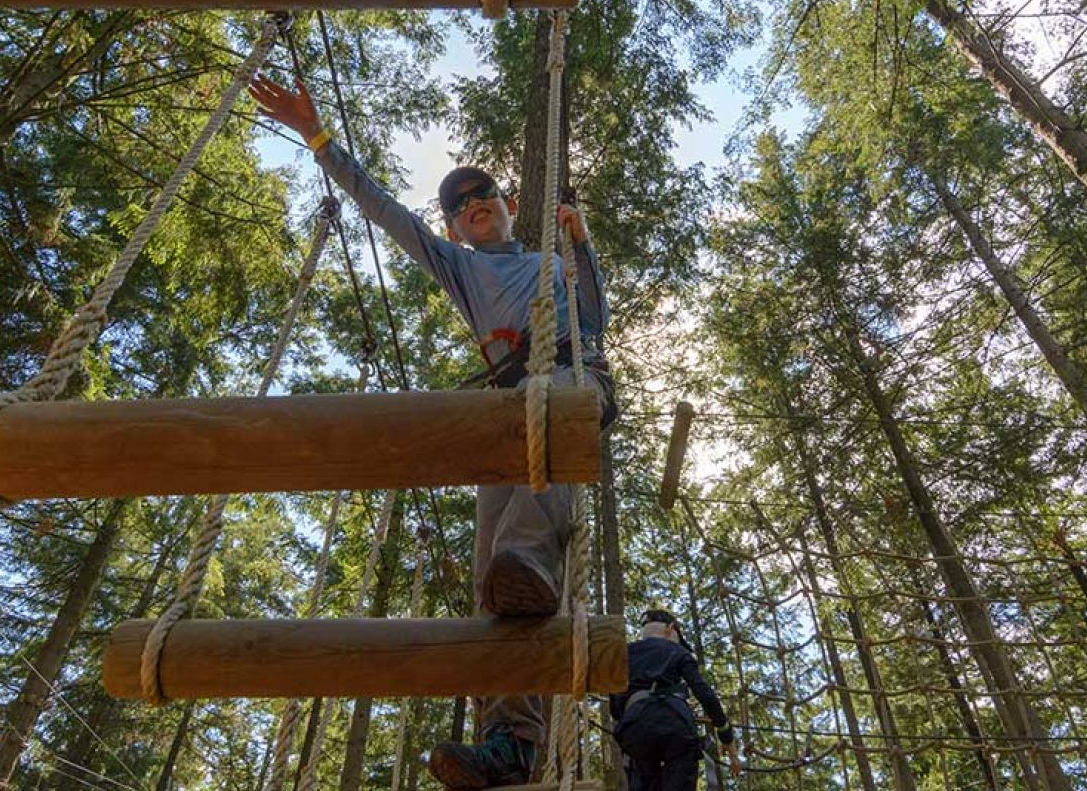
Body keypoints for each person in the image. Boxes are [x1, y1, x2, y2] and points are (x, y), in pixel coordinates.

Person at [250, 75, 615, 790]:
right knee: (498, 584)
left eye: (484, 195)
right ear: (452, 228)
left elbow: (595, 320)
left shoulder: (551, 262)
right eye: (458, 205)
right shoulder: (459, 266)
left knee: (526, 546)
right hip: (505, 405)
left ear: (509, 206)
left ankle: (529, 571)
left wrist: (583, 246)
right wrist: (318, 139)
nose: (473, 205)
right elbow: (388, 214)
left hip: (570, 379)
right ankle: (509, 743)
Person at [611, 610, 741, 791]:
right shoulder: (677, 651)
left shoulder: (623, 654)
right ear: (671, 629)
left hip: (635, 727)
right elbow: (705, 694)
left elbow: (615, 705)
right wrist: (726, 735)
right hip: (676, 724)